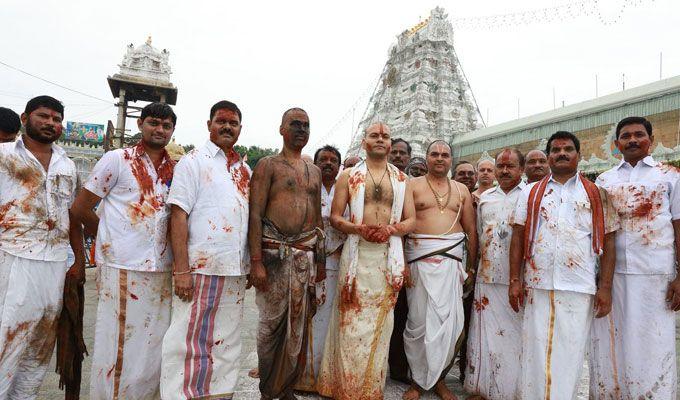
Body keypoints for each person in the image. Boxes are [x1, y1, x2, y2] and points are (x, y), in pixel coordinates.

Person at [72, 102, 177, 399]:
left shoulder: (175, 169)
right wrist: (109, 238)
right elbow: (80, 208)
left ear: (172, 131)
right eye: (154, 123)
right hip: (122, 268)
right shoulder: (117, 159)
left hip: (160, 269)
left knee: (152, 346)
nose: (159, 129)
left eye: (166, 125)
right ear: (140, 124)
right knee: (117, 345)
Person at [509, 131, 618, 399]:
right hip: (538, 283)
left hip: (578, 286)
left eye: (568, 149)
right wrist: (514, 280)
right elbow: (518, 237)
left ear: (578, 155)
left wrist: (605, 288)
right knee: (535, 350)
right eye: (555, 150)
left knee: (570, 353)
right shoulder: (531, 192)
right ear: (548, 157)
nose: (561, 154)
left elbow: (610, 242)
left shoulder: (597, 194)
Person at [317, 122, 416, 400]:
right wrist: (358, 229)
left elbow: (411, 220)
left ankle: (370, 389)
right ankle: (344, 387)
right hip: (357, 253)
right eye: (375, 135)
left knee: (382, 323)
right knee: (350, 318)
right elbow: (336, 217)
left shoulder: (401, 179)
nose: (381, 139)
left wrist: (390, 230)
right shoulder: (348, 175)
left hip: (387, 254)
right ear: (365, 142)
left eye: (385, 136)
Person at [160, 101, 250, 399]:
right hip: (201, 267)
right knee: (187, 340)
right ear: (209, 124)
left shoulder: (244, 169)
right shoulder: (193, 162)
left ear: (240, 128)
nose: (227, 127)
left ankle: (219, 395)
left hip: (235, 270)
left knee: (227, 341)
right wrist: (181, 269)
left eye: (233, 123)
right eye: (221, 121)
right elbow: (178, 215)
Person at [589, 117, 680, 399]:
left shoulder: (670, 175)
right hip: (613, 275)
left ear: (650, 140)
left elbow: (678, 225)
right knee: (613, 341)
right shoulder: (605, 180)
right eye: (625, 136)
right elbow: (600, 231)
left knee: (654, 341)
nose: (632, 140)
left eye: (639, 135)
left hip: (656, 272)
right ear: (616, 144)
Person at [0, 95, 84, 397]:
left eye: (56, 119)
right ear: (25, 118)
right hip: (14, 258)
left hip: (56, 264)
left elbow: (73, 216)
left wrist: (79, 262)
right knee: (7, 342)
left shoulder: (67, 164)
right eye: (44, 116)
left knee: (39, 347)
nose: (50, 123)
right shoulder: (5, 155)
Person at [248, 108, 325, 400]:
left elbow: (317, 222)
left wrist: (319, 264)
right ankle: (268, 390)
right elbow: (255, 215)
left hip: (305, 255)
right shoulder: (268, 165)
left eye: (306, 125)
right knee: (271, 326)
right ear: (281, 129)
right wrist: (256, 262)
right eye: (295, 124)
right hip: (273, 255)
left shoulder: (314, 170)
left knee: (298, 328)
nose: (301, 130)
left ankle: (287, 388)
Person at [403, 140, 476, 400]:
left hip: (451, 264)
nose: (440, 158)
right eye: (434, 154)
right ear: (427, 158)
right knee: (418, 324)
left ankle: (440, 380)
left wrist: (472, 267)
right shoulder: (411, 187)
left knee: (450, 324)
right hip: (419, 262)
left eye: (445, 155)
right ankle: (418, 381)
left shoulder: (462, 191)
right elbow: (404, 228)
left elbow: (471, 231)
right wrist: (402, 265)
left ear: (451, 159)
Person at [464, 148, 525, 400]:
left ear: (521, 169)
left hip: (518, 279)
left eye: (511, 166)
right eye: (501, 166)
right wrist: (472, 268)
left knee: (515, 339)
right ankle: (483, 388)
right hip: (486, 276)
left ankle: (514, 391)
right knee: (485, 336)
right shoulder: (486, 198)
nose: (505, 171)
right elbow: (476, 236)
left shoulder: (530, 196)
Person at [296, 145, 347, 392]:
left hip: (338, 262)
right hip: (307, 261)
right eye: (323, 159)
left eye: (333, 160)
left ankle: (325, 376)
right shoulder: (305, 186)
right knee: (306, 316)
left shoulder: (347, 189)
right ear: (315, 163)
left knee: (330, 319)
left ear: (339, 166)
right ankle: (302, 374)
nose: (328, 163)